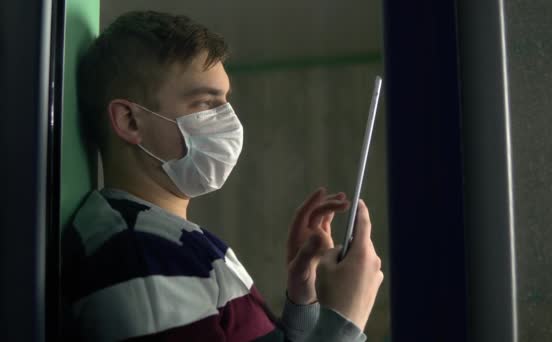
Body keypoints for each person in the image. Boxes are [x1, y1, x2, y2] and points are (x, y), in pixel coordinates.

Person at [62, 10, 383, 342]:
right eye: (205, 104)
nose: (229, 123)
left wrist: (305, 297)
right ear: (130, 121)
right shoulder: (139, 254)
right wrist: (345, 317)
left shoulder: (167, 240)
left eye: (224, 104)